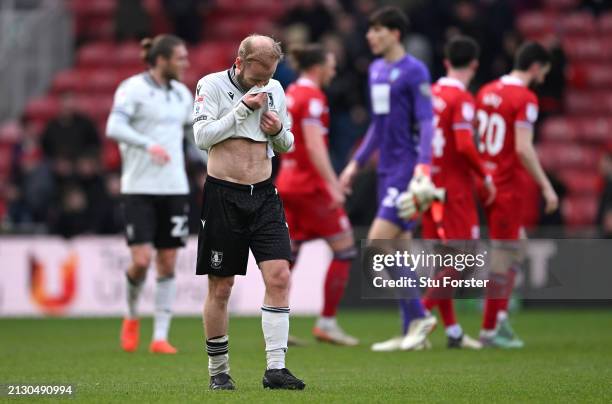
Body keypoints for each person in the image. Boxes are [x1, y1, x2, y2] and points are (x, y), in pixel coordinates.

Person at [192, 34, 305, 391]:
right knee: (221, 287)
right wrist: (242, 109)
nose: (264, 81)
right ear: (240, 61)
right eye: (259, 73)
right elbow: (202, 137)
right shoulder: (210, 85)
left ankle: (276, 368)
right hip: (224, 195)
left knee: (279, 277)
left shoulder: (275, 87)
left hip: (265, 195)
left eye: (270, 74)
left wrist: (278, 131)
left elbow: (287, 144)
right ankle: (219, 371)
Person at [339, 6, 437, 352]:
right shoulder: (377, 71)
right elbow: (378, 127)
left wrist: (424, 167)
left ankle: (421, 315)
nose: (369, 36)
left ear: (395, 33)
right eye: (369, 31)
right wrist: (355, 164)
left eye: (376, 30)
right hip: (384, 170)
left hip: (407, 169)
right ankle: (412, 331)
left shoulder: (415, 71)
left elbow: (426, 122)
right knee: (399, 249)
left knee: (378, 243)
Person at [399, 36, 494, 349]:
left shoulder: (431, 93)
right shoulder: (462, 99)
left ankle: (452, 332)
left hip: (427, 186)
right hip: (453, 189)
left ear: (446, 62)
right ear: (475, 65)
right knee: (463, 259)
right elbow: (465, 145)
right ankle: (420, 318)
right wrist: (486, 175)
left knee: (444, 263)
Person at [106, 34, 193, 355]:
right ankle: (131, 315)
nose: (185, 63)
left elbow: (193, 138)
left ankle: (160, 337)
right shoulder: (133, 89)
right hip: (139, 188)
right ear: (161, 60)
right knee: (141, 262)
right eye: (180, 58)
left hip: (174, 188)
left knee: (168, 261)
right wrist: (147, 144)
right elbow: (114, 128)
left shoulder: (182, 95)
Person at [475, 41, 558, 347]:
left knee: (517, 248)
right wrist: (546, 186)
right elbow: (523, 148)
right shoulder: (525, 98)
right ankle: (489, 331)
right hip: (506, 185)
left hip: (485, 180)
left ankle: (499, 319)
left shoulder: (486, 90)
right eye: (544, 72)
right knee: (503, 256)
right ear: (535, 67)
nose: (544, 79)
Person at [276, 44, 358, 346]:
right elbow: (314, 146)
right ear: (319, 67)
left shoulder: (290, 92)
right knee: (345, 249)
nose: (334, 71)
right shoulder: (312, 97)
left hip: (287, 181)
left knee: (289, 256)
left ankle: (275, 325)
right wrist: (333, 185)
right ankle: (326, 322)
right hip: (310, 187)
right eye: (331, 65)